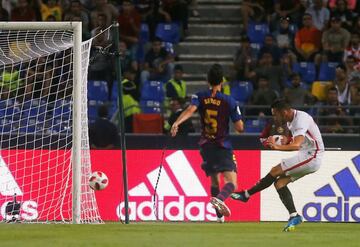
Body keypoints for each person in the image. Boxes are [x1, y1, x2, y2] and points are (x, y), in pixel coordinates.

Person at [231, 99, 325, 232]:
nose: (274, 117)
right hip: (308, 154)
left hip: (312, 155)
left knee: (275, 171)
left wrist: (277, 146)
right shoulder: (291, 121)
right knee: (279, 183)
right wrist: (284, 140)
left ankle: (246, 195)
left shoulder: (300, 120)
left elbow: (296, 145)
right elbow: (295, 141)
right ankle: (294, 215)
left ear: (284, 112)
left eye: (276, 114)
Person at [170, 64, 244, 222]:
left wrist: (176, 123)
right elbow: (240, 128)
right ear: (222, 82)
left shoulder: (199, 96)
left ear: (207, 80)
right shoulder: (229, 101)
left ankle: (218, 217)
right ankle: (220, 200)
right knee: (232, 183)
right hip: (222, 145)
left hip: (205, 145)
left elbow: (190, 110)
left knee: (215, 180)